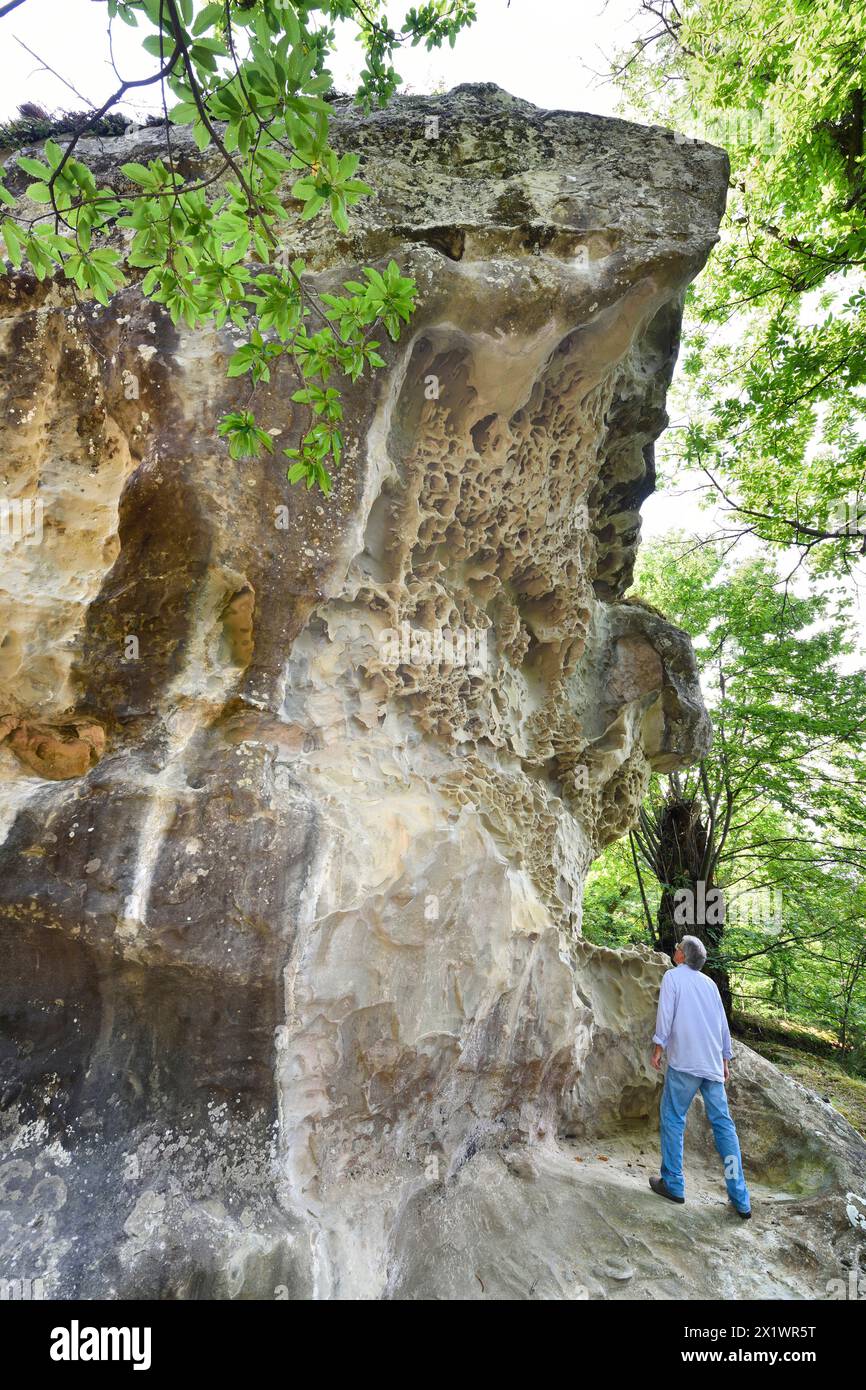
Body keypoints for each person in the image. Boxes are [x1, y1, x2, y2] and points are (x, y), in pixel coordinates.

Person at [649, 934, 751, 1218]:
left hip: (685, 1064)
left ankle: (673, 1183)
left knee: (672, 1117)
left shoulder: (673, 977)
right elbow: (722, 1024)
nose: (675, 950)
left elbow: (665, 1015)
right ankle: (740, 1197)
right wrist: (725, 1059)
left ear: (683, 955)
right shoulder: (710, 985)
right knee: (724, 1128)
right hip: (711, 1066)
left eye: (678, 947)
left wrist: (659, 1047)